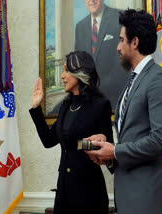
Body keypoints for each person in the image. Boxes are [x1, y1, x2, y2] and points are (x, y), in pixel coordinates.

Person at [85, 9, 162, 214]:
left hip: (147, 200)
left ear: (134, 42)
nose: (118, 47)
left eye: (121, 40)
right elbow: (133, 137)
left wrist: (116, 151)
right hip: (128, 198)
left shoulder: (159, 80)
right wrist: (109, 153)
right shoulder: (134, 80)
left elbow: (160, 140)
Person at [30, 51, 113, 214]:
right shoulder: (65, 106)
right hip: (63, 191)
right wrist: (36, 108)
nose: (62, 76)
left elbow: (107, 147)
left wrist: (85, 143)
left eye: (66, 70)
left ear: (80, 72)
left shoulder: (100, 105)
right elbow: (48, 141)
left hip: (89, 192)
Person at [75, 0, 130, 109]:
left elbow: (123, 61)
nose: (92, 1)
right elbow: (78, 65)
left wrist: (96, 90)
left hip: (115, 98)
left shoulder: (119, 18)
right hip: (88, 101)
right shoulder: (80, 27)